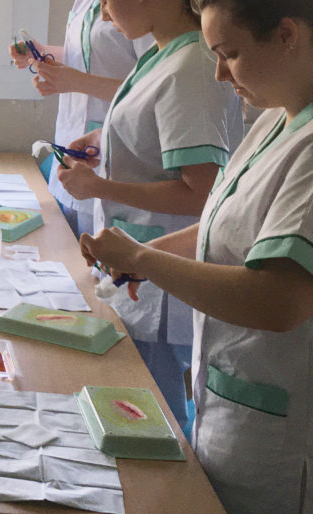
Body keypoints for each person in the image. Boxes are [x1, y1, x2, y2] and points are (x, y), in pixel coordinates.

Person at [80, 0, 313, 514]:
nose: (219, 74)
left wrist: (145, 258)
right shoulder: (277, 121)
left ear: (288, 35)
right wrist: (143, 258)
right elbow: (222, 235)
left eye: (231, 53)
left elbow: (279, 298)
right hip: (232, 412)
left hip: (281, 442)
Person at [57, 0, 243, 434]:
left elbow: (202, 194)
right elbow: (154, 137)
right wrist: (104, 140)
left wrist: (102, 188)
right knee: (132, 408)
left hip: (159, 279)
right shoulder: (162, 53)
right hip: (137, 264)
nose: (104, 14)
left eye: (108, 2)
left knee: (154, 421)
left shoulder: (194, 65)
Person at [10, 0, 154, 237]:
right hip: (74, 148)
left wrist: (75, 81)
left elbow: (152, 86)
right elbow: (95, 53)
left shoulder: (139, 9)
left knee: (95, 257)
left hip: (115, 157)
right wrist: (43, 52)